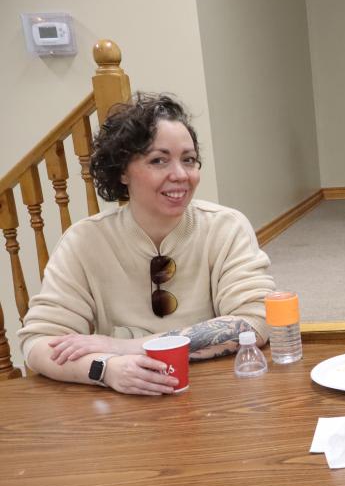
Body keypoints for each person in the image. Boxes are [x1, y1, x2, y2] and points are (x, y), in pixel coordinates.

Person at [18, 93, 275, 396]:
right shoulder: (85, 241)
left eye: (189, 160)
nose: (180, 175)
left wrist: (126, 347)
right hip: (120, 399)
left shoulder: (225, 227)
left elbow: (255, 322)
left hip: (212, 392)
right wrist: (106, 368)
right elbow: (38, 342)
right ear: (123, 171)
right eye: (158, 160)